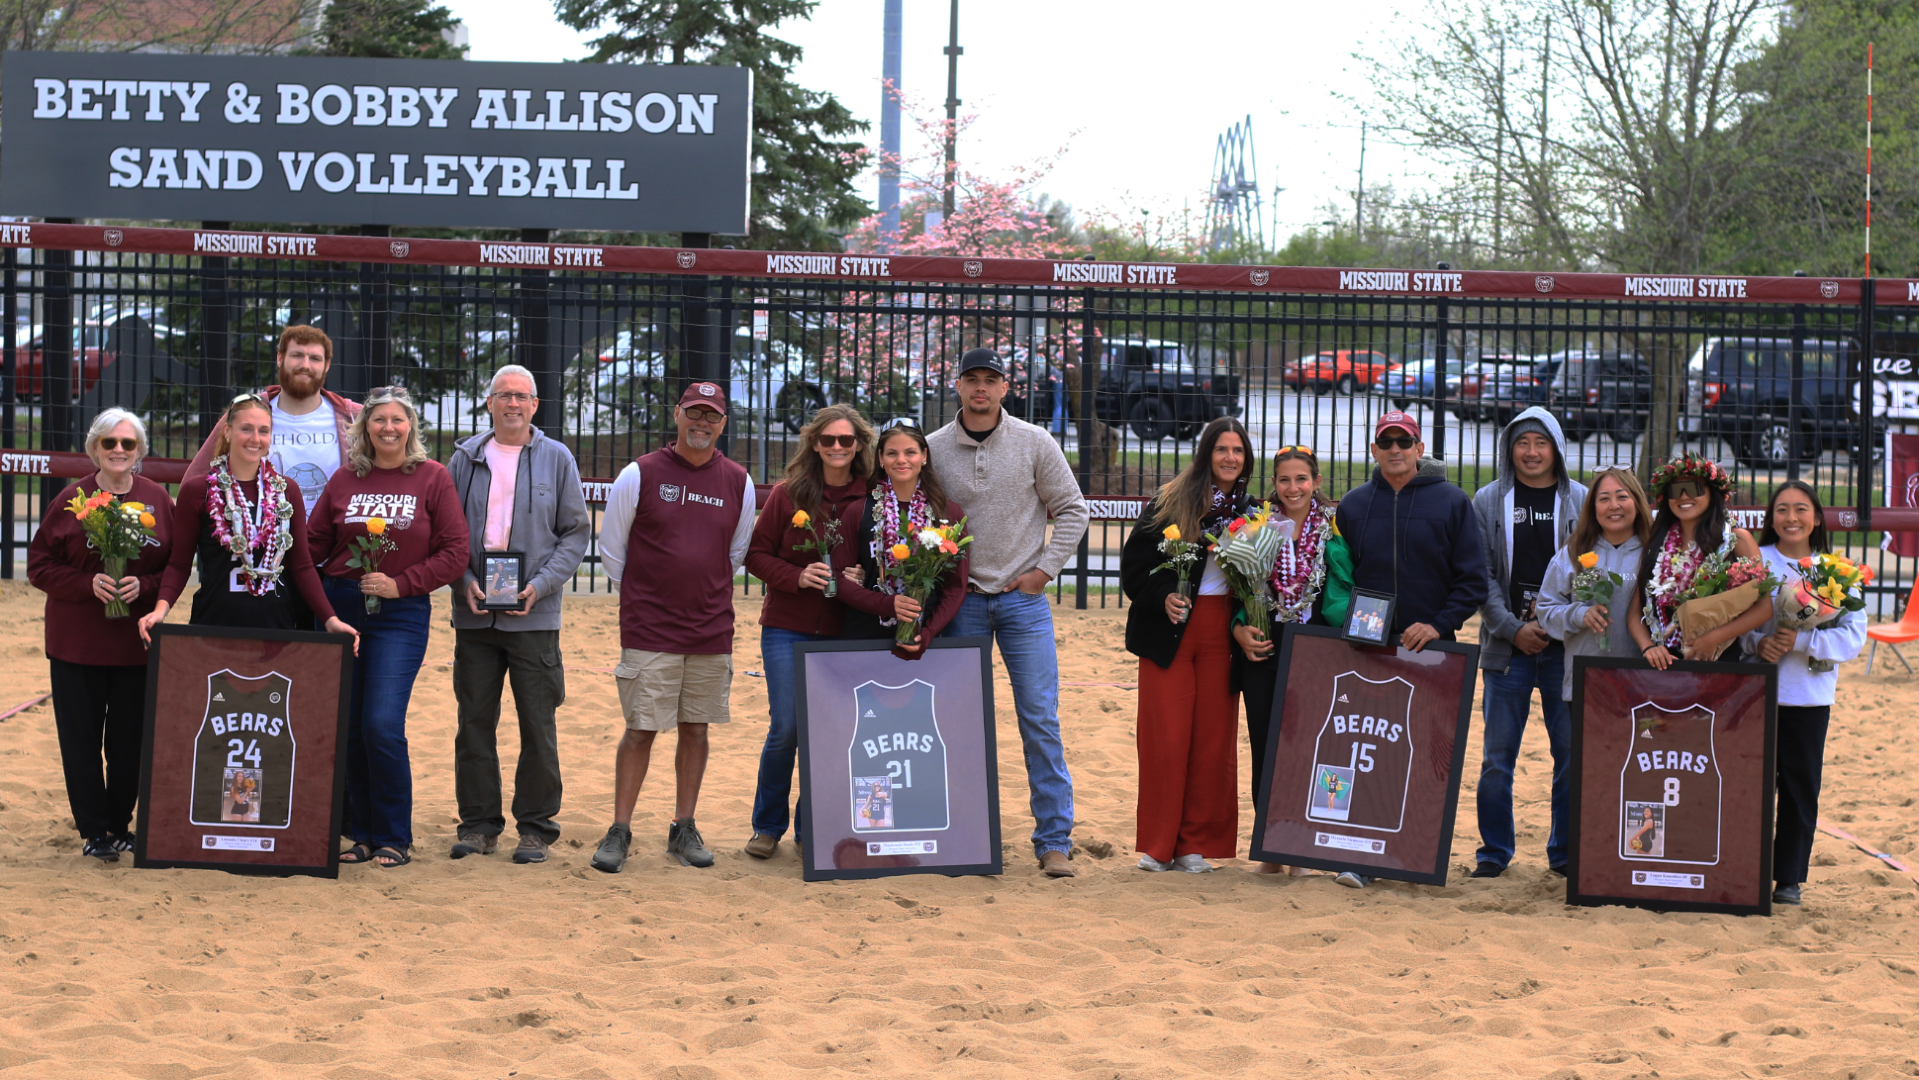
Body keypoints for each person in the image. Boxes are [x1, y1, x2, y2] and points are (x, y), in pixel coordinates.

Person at [928, 348, 1090, 878]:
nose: (981, 388)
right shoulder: (932, 450)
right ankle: (966, 835)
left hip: (1024, 603)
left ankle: (1054, 840)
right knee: (957, 722)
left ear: (1005, 387)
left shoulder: (1035, 442)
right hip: (962, 603)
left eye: (990, 380)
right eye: (971, 379)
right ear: (957, 385)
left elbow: (1072, 508)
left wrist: (1045, 570)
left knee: (1040, 719)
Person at [592, 382, 755, 873]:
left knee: (696, 729)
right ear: (677, 414)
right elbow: (613, 552)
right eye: (693, 412)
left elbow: (737, 555)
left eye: (712, 416)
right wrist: (651, 596)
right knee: (641, 729)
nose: (701, 423)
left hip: (709, 629)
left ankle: (683, 827)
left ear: (723, 424)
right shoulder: (639, 473)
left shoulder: (738, 481)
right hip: (650, 629)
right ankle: (620, 828)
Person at [308, 386, 470, 868]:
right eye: (379, 421)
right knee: (352, 728)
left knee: (381, 724)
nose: (388, 428)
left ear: (411, 428)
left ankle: (395, 836)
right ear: (364, 429)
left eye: (398, 421)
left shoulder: (432, 478)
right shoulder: (343, 480)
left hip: (400, 614)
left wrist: (403, 584)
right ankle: (362, 833)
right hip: (343, 608)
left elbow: (455, 553)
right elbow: (313, 545)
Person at [1332, 409, 1488, 888]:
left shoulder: (1453, 503)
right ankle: (1359, 857)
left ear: (1421, 450)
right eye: (1387, 441)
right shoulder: (1353, 506)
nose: (1395, 449)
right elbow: (1340, 578)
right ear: (1373, 450)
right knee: (1369, 748)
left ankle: (1416, 852)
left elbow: (1472, 581)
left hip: (1432, 650)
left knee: (1428, 754)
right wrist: (1354, 624)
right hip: (1369, 652)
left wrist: (1438, 624)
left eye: (1405, 441)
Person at [445, 365, 591, 865]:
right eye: (503, 395)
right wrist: (463, 582)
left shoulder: (557, 458)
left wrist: (541, 584)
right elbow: (445, 532)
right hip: (475, 617)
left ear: (534, 405)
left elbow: (575, 533)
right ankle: (479, 825)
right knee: (474, 725)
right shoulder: (464, 458)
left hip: (535, 614)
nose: (512, 403)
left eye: (521, 396)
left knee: (538, 725)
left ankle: (535, 829)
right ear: (488, 402)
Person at [28, 408, 174, 861]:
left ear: (139, 452)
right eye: (109, 443)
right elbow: (39, 565)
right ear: (94, 448)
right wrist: (86, 584)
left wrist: (144, 586)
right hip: (77, 643)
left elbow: (175, 565)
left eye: (127, 444)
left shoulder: (157, 500)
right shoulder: (73, 500)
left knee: (129, 743)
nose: (118, 451)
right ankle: (94, 832)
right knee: (82, 741)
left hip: (137, 644)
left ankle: (118, 825)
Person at [1118, 417, 1252, 873]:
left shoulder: (1254, 513)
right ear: (1206, 454)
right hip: (1169, 630)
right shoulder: (1170, 499)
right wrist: (1163, 597)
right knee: (1165, 739)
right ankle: (1157, 846)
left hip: (1222, 636)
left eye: (1237, 450)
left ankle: (1193, 845)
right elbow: (1133, 570)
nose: (1230, 458)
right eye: (1221, 449)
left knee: (1212, 742)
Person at [741, 404, 874, 860]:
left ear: (859, 446)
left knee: (832, 733)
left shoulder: (872, 497)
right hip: (787, 627)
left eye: (846, 440)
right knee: (787, 727)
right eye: (828, 440)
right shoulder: (787, 494)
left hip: (844, 630)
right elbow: (756, 556)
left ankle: (810, 827)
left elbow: (885, 564)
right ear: (814, 444)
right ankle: (767, 826)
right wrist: (795, 576)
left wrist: (863, 578)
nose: (837, 448)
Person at [1468, 407, 1588, 880]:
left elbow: (1593, 574)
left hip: (1566, 650)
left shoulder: (1581, 499)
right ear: (1508, 449)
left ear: (1556, 447)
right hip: (1507, 650)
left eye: (1541, 442)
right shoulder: (1488, 500)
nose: (1531, 451)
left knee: (1571, 757)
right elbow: (1481, 577)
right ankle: (1495, 853)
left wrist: (1558, 626)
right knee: (1497, 760)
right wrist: (1511, 628)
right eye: (1522, 442)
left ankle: (1563, 854)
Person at [1739, 480, 1867, 906]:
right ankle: (1744, 869)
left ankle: (1788, 879)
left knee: (1798, 790)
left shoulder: (1838, 571)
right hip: (1754, 694)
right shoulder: (1756, 561)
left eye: (1800, 509)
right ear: (1769, 517)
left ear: (1816, 517)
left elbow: (1852, 639)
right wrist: (1757, 643)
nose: (1790, 518)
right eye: (1781, 510)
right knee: (1747, 788)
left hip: (1808, 698)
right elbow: (1728, 620)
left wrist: (1799, 642)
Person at [141, 394, 357, 642]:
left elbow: (302, 566)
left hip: (276, 628)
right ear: (228, 431)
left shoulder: (287, 490)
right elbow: (179, 565)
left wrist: (331, 620)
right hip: (214, 625)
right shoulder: (197, 491)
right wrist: (160, 611)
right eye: (246, 429)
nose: (255, 439)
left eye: (263, 431)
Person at [1233, 444, 1352, 876]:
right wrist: (1239, 626)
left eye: (1302, 479)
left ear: (1316, 482)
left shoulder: (1332, 533)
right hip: (1266, 645)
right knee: (1266, 745)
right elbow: (1241, 586)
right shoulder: (1258, 527)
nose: (1293, 487)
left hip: (1316, 649)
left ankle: (1301, 844)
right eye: (1284, 479)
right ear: (1275, 485)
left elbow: (1340, 593)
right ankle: (1270, 845)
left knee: (1311, 747)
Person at [187, 325, 361, 514]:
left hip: (330, 540)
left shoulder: (353, 418)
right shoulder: (246, 413)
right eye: (297, 355)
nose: (305, 365)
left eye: (315, 358)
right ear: (280, 358)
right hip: (261, 538)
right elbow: (194, 481)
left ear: (326, 365)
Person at [1628, 455, 1771, 668]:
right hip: (1663, 666)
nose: (1684, 496)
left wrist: (1714, 637)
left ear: (1713, 493)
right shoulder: (1657, 543)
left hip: (1719, 662)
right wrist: (1648, 647)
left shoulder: (1736, 540)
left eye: (1694, 488)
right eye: (1675, 491)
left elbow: (1764, 608)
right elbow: (1634, 613)